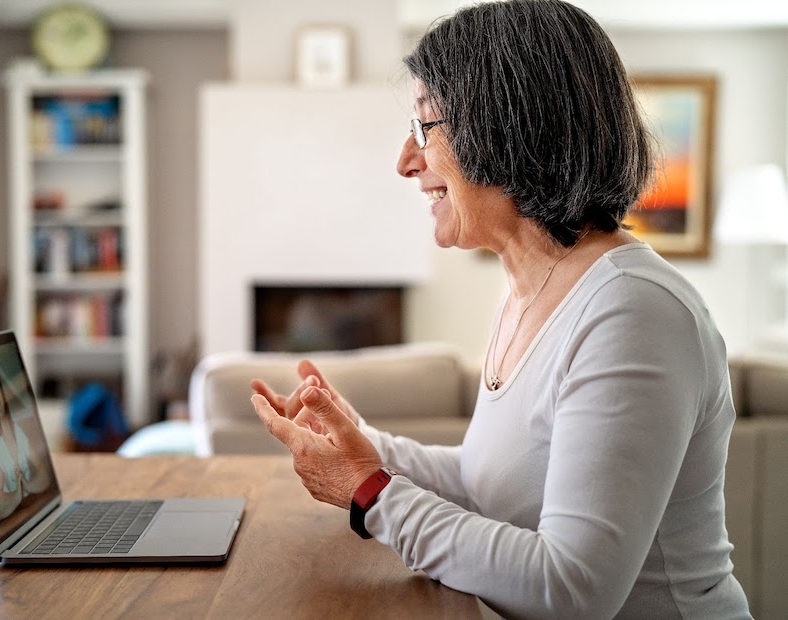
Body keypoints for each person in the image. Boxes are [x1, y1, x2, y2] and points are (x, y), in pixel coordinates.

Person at [248, 1, 751, 617]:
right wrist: (365, 449)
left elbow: (571, 589)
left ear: (507, 128)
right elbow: (492, 482)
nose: (406, 160)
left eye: (425, 127)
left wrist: (371, 495)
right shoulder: (529, 288)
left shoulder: (632, 312)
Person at [0, 358, 50, 519]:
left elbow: (44, 475)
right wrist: (17, 493)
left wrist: (27, 485)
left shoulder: (19, 433)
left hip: (36, 507)